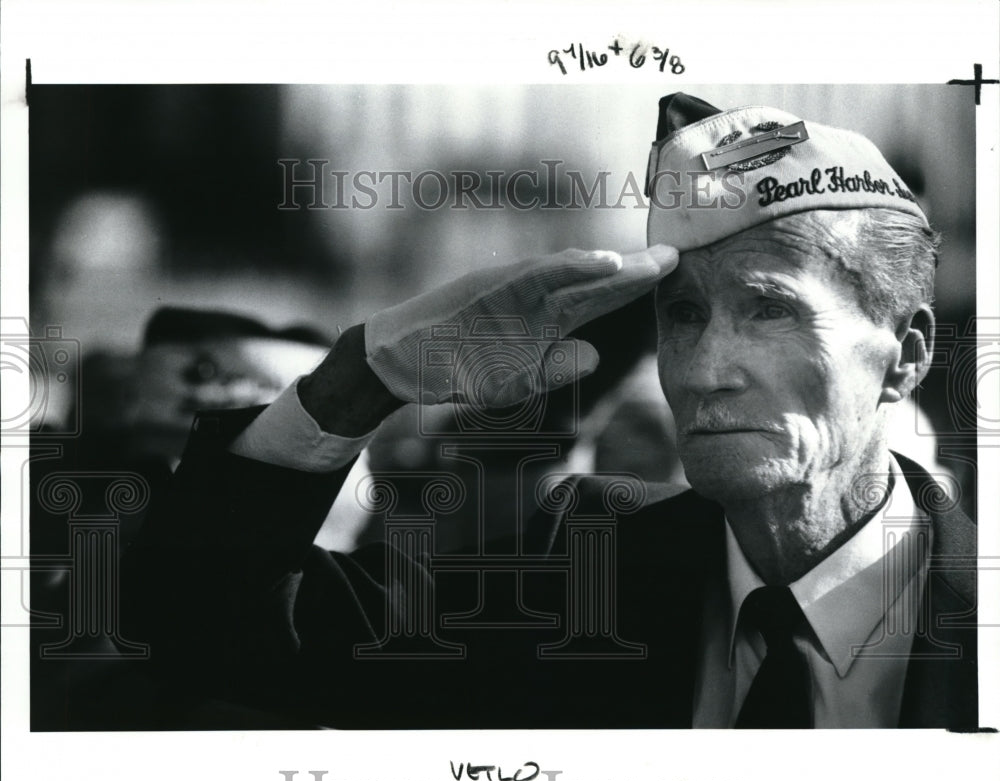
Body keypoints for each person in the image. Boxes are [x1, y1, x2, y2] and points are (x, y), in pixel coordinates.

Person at [120, 94, 977, 729]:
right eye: (680, 315)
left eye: (771, 308)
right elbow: (203, 625)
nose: (708, 367)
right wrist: (367, 372)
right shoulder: (584, 576)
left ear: (907, 354)